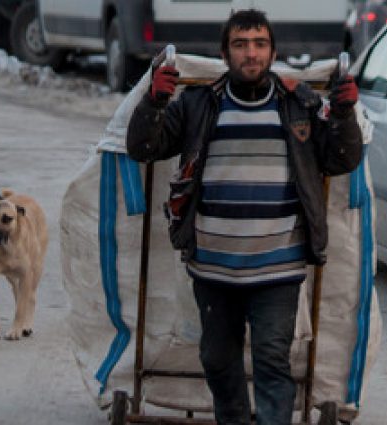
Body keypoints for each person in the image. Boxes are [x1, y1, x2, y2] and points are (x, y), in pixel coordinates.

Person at [126, 9, 362, 425]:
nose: (250, 53)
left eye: (259, 44)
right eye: (240, 44)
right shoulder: (199, 105)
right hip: (212, 266)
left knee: (272, 360)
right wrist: (153, 102)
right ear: (225, 54)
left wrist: (343, 116)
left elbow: (340, 159)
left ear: (272, 53)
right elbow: (144, 148)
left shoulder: (300, 105)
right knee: (217, 360)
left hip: (279, 267)